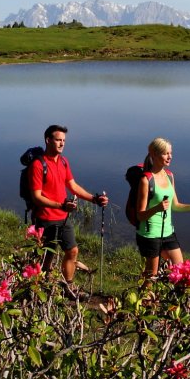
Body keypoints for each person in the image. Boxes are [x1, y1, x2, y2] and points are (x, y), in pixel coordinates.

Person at [29, 125, 109, 299]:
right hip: (45, 219)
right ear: (48, 140)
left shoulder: (63, 162)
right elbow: (36, 197)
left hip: (63, 218)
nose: (61, 144)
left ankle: (68, 287)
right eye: (58, 140)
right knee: (46, 257)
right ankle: (38, 289)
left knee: (72, 251)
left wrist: (93, 199)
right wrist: (60, 205)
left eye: (64, 141)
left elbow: (72, 186)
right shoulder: (38, 164)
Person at [135, 137, 190, 284]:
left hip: (168, 232)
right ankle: (145, 303)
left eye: (170, 153)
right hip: (150, 234)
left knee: (180, 271)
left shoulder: (169, 176)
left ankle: (174, 303)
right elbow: (140, 215)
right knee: (150, 279)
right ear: (154, 154)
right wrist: (157, 208)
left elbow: (175, 205)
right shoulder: (146, 180)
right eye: (166, 153)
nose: (170, 156)